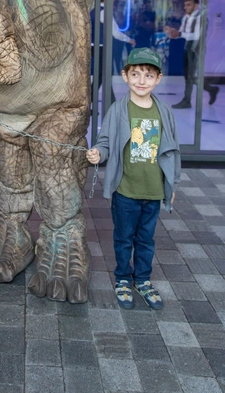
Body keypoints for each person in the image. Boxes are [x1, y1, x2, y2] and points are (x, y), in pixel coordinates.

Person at [86, 47, 181, 310]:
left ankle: (142, 279)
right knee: (124, 238)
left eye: (148, 75)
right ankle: (122, 278)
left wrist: (172, 185)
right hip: (126, 191)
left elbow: (173, 151)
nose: (141, 80)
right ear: (125, 75)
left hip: (153, 191)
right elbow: (105, 141)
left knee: (146, 240)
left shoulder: (164, 112)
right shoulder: (118, 110)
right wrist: (98, 153)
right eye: (136, 74)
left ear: (158, 79)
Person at [165, 0, 219, 109]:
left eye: (188, 5)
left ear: (196, 5)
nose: (185, 7)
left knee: (190, 76)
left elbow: (197, 36)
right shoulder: (185, 18)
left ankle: (187, 100)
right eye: (185, 5)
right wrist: (172, 33)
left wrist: (179, 34)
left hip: (197, 49)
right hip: (188, 47)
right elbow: (182, 33)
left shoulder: (201, 18)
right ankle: (211, 89)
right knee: (188, 75)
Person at [91, 0, 135, 104]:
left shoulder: (93, 11)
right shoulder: (104, 12)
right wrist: (129, 40)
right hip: (101, 47)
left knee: (102, 75)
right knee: (104, 74)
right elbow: (115, 32)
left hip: (94, 46)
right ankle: (108, 101)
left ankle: (108, 101)